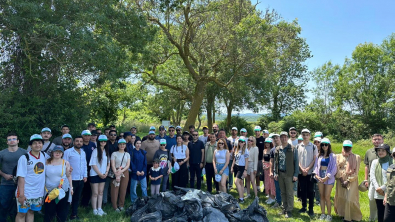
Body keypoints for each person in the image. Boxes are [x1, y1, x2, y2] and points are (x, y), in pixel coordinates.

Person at [15, 134, 47, 222]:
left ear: (42, 144)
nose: (37, 145)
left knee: (31, 212)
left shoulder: (45, 155)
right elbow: (21, 177)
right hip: (26, 192)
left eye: (39, 143)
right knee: (21, 214)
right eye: (35, 143)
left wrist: (67, 166)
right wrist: (21, 195)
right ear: (30, 145)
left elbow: (56, 162)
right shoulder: (24, 158)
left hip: (38, 192)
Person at [0, 133, 26, 222]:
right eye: (9, 139)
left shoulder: (24, 152)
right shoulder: (2, 153)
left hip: (21, 184)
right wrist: (4, 175)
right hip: (6, 183)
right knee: (3, 204)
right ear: (7, 142)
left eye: (14, 139)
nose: (12, 141)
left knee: (18, 206)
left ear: (18, 141)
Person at [334, 140, 362, 222]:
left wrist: (348, 181)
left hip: (352, 181)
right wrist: (342, 180)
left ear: (351, 148)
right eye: (345, 147)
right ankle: (343, 214)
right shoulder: (338, 156)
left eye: (348, 147)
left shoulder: (356, 157)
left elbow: (356, 171)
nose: (346, 148)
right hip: (340, 179)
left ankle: (352, 217)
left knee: (350, 199)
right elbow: (336, 169)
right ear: (342, 147)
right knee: (341, 197)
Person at [273, 131, 299, 218]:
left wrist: (296, 174)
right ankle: (284, 208)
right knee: (283, 192)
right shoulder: (277, 149)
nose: (284, 138)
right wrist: (275, 172)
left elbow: (296, 162)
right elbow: (275, 162)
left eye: (285, 137)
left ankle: (289, 210)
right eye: (282, 137)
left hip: (289, 174)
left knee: (289, 193)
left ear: (287, 138)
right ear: (280, 138)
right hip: (280, 173)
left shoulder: (292, 148)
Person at [44, 145, 73, 222]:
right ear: (52, 152)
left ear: (62, 154)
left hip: (62, 190)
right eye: (56, 151)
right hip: (49, 190)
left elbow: (68, 176)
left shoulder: (66, 163)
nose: (57, 153)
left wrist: (71, 187)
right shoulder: (46, 162)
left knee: (62, 212)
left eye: (60, 152)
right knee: (49, 212)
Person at [63, 136, 87, 220]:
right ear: (73, 142)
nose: (79, 143)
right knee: (68, 199)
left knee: (76, 198)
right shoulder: (68, 152)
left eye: (81, 141)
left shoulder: (83, 152)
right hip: (70, 179)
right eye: (77, 141)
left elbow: (84, 165)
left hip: (80, 179)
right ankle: (64, 216)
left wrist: (85, 175)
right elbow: (64, 164)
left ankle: (74, 215)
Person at [313, 138, 337, 221]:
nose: (324, 146)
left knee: (327, 197)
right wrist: (316, 175)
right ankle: (323, 213)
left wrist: (327, 177)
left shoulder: (333, 156)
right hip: (320, 176)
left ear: (329, 145)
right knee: (321, 196)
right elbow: (316, 166)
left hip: (329, 178)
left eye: (326, 144)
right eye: (322, 144)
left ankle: (329, 215)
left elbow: (334, 168)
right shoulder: (319, 155)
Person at [297, 128, 318, 217]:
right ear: (301, 136)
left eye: (307, 135)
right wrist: (302, 169)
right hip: (301, 172)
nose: (305, 136)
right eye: (303, 135)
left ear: (309, 136)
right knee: (303, 190)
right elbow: (296, 159)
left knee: (310, 191)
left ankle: (311, 209)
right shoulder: (298, 146)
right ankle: (304, 207)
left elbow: (314, 159)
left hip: (310, 173)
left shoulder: (314, 146)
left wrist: (307, 169)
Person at [370, 144, 392, 222]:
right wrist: (377, 188)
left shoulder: (392, 162)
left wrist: (382, 188)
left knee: (389, 214)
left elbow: (392, 178)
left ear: (387, 152)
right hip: (378, 191)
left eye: (383, 150)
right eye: (379, 150)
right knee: (380, 212)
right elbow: (372, 175)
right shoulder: (375, 162)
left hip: (389, 191)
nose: (380, 152)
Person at [89, 135, 110, 216]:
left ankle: (99, 208)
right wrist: (100, 174)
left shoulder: (106, 151)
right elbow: (93, 164)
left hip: (104, 174)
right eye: (101, 141)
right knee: (95, 193)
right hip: (95, 174)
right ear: (99, 142)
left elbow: (108, 163)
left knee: (101, 192)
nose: (103, 142)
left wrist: (106, 173)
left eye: (104, 141)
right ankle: (94, 210)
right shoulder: (95, 151)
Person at [365, 134, 383, 221]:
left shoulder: (387, 150)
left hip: (383, 179)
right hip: (371, 179)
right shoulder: (369, 152)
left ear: (382, 140)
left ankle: (381, 217)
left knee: (382, 198)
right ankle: (372, 217)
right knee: (371, 199)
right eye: (375, 139)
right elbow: (366, 166)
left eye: (379, 139)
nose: (377, 141)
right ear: (372, 141)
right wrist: (365, 179)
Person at [110, 139, 130, 212]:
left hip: (124, 172)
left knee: (123, 189)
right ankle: (115, 206)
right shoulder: (114, 153)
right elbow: (112, 165)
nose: (122, 146)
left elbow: (128, 165)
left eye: (124, 144)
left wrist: (121, 171)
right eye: (120, 144)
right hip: (116, 171)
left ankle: (121, 205)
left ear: (125, 145)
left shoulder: (127, 154)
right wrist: (117, 173)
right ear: (118, 145)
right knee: (115, 190)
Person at [81, 130, 96, 207]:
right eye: (85, 135)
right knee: (82, 186)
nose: (87, 137)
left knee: (89, 187)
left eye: (88, 135)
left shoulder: (93, 144)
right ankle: (80, 202)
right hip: (82, 168)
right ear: (82, 136)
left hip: (92, 168)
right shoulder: (80, 145)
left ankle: (86, 203)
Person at [231, 137, 249, 203]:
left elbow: (247, 161)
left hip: (242, 167)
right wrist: (232, 167)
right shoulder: (237, 149)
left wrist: (245, 170)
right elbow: (234, 159)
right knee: (241, 183)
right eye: (239, 141)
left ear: (244, 143)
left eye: (242, 141)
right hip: (236, 166)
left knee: (236, 182)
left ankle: (241, 198)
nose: (241, 143)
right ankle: (241, 197)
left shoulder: (246, 150)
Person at [270, 133, 282, 208]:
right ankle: (278, 202)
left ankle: (285, 203)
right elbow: (271, 161)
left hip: (284, 171)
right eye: (274, 138)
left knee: (284, 188)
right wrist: (271, 171)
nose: (275, 139)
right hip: (276, 171)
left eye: (277, 137)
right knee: (277, 187)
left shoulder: (284, 147)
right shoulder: (272, 150)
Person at [384, 147, 395, 222]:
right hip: (390, 200)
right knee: (387, 219)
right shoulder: (390, 168)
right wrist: (385, 196)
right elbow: (388, 184)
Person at [263, 138, 275, 204]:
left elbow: (271, 161)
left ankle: (273, 197)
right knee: (267, 182)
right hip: (265, 168)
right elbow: (263, 158)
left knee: (271, 183)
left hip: (270, 168)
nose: (267, 144)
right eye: (266, 143)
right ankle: (270, 196)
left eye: (268, 143)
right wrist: (263, 164)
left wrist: (268, 167)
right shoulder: (264, 150)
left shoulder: (272, 150)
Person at [254, 126, 265, 192]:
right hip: (256, 159)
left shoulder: (263, 139)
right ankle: (258, 187)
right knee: (257, 174)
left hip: (262, 159)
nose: (257, 132)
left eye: (258, 131)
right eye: (256, 131)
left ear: (260, 131)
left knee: (264, 174)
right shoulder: (253, 139)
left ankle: (265, 187)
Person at [313, 137, 322, 206]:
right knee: (315, 186)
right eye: (315, 142)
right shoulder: (313, 149)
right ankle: (317, 199)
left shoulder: (323, 151)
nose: (316, 144)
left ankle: (320, 199)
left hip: (321, 170)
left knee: (319, 186)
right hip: (313, 169)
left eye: (318, 142)